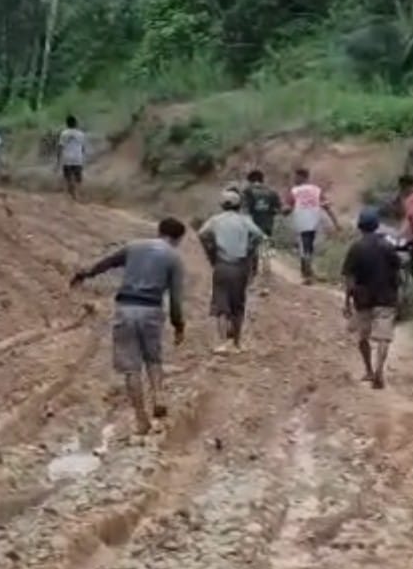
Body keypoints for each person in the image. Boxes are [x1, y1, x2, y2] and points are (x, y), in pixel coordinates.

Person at [71, 217, 186, 435]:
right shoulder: (174, 257)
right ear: (178, 238)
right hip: (151, 309)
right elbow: (176, 298)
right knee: (153, 358)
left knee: (131, 367)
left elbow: (107, 262)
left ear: (159, 230)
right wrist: (178, 325)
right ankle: (159, 395)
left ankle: (141, 420)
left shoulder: (134, 246)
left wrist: (85, 273)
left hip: (125, 307)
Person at [198, 189, 265, 354]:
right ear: (239, 205)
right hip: (241, 265)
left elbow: (202, 233)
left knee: (221, 304)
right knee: (238, 304)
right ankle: (236, 342)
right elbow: (258, 235)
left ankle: (222, 343)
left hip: (222, 264)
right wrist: (249, 249)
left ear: (222, 205)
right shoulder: (244, 220)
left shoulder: (215, 220)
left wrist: (211, 249)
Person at [342, 207, 401, 390]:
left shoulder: (355, 248)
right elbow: (398, 269)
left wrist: (347, 301)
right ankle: (379, 371)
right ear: (376, 226)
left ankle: (368, 369)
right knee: (383, 337)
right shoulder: (387, 246)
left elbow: (349, 278)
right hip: (386, 298)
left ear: (360, 227)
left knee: (363, 337)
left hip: (363, 299)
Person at [284, 168, 340, 284]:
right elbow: (327, 207)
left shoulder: (295, 191)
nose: (294, 179)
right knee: (308, 246)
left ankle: (307, 275)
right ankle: (307, 272)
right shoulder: (316, 190)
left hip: (301, 223)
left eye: (296, 177)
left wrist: (281, 212)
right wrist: (336, 223)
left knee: (304, 247)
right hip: (314, 222)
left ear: (302, 177)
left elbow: (287, 208)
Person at [242, 169, 282, 290]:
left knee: (252, 253)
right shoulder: (272, 192)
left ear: (250, 180)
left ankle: (252, 280)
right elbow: (278, 209)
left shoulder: (247, 192)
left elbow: (245, 210)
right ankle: (266, 282)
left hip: (253, 227)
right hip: (267, 226)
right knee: (266, 253)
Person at [57, 115, 86, 200]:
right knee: (78, 178)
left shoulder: (64, 133)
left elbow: (60, 147)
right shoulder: (81, 134)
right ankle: (77, 194)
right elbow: (83, 148)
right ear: (76, 123)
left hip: (67, 158)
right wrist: (83, 157)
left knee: (68, 177)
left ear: (67, 124)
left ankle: (70, 193)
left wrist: (58, 159)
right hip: (78, 158)